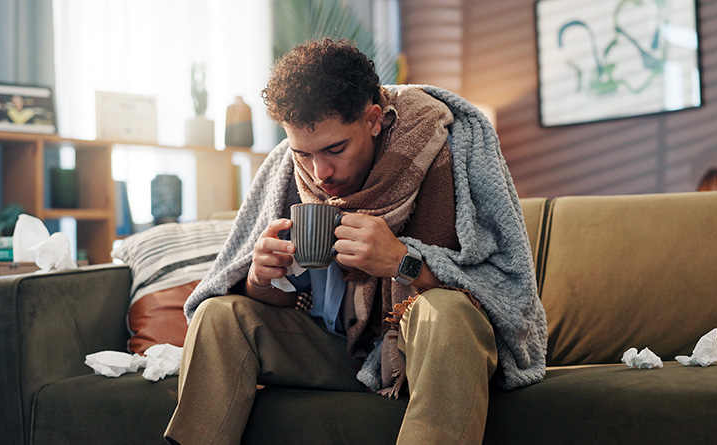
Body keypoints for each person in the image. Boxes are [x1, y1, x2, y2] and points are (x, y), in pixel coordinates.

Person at [165, 39, 547, 444]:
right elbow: (281, 297)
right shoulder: (288, 168)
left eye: (335, 148)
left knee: (446, 312)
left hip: (426, 350)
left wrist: (403, 261)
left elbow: (506, 291)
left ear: (373, 119)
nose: (320, 171)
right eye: (303, 153)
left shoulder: (455, 144)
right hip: (335, 349)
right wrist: (260, 279)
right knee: (220, 316)